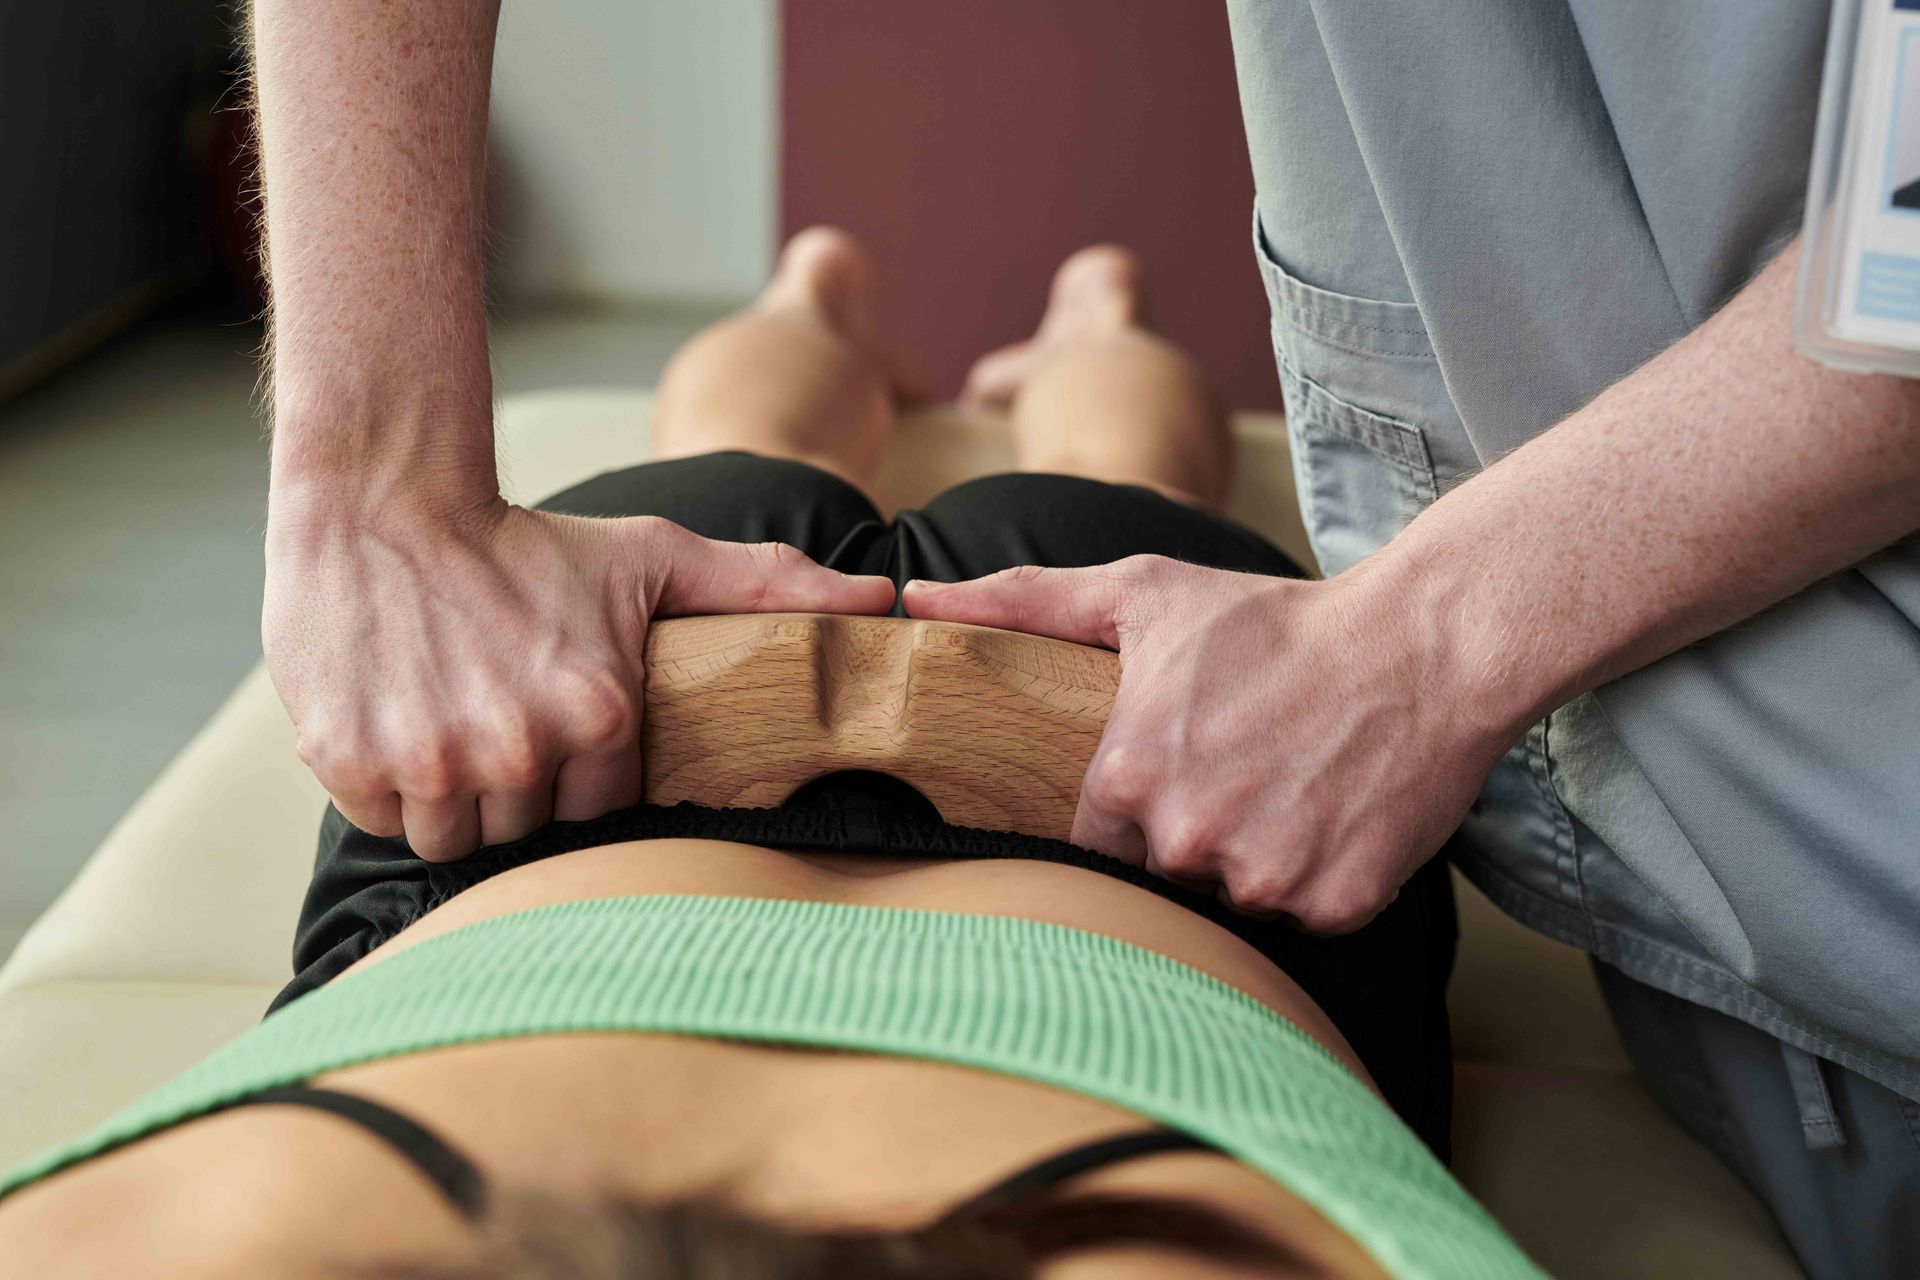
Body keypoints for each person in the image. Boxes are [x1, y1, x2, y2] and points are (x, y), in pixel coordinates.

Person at [250, 5, 1920, 1275]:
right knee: (1090, 485)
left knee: (752, 455)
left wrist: (384, 493)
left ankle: (820, 306)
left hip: (587, 796)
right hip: (1142, 835)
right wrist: (368, 496)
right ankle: (1044, 323)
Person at [0, 234, 1515, 1279]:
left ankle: (864, 296)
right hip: (1165, 814)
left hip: (580, 781)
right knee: (1026, 478)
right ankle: (1053, 317)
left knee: (809, 455)